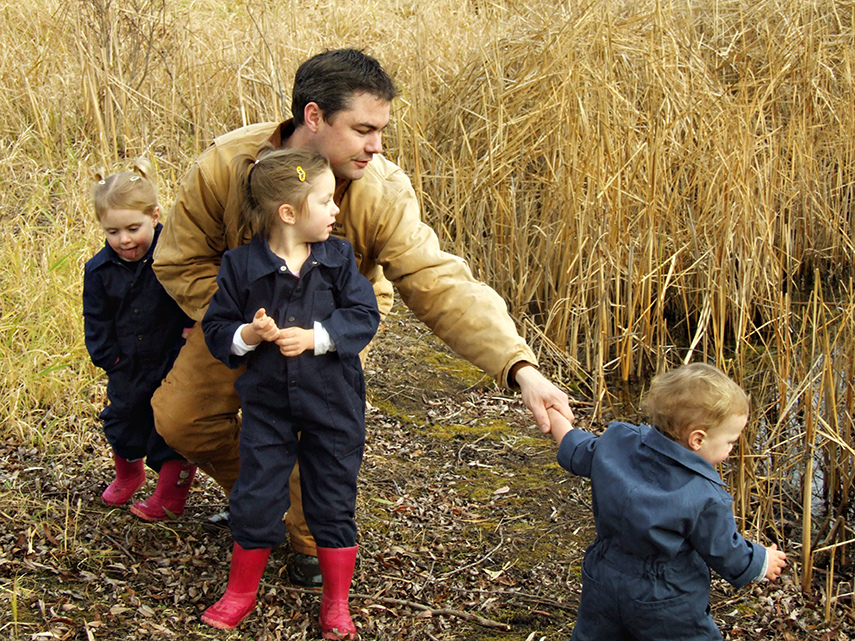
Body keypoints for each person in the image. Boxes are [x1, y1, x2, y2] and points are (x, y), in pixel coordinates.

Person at [152, 48, 574, 585]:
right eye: (363, 129)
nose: (378, 146)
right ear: (313, 117)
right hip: (242, 319)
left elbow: (439, 280)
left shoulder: (381, 190)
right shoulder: (226, 165)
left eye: (382, 130)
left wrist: (521, 368)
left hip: (333, 327)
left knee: (317, 431)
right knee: (181, 417)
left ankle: (309, 538)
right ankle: (266, 496)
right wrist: (248, 323)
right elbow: (179, 259)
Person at [198, 149, 379, 636]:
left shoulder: (338, 259)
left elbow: (364, 315)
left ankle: (336, 603)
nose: (335, 210)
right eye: (325, 201)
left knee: (333, 497)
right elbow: (216, 328)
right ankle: (240, 592)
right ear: (288, 213)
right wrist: (248, 335)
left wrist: (317, 337)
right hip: (268, 407)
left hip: (333, 404)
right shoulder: (240, 267)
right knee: (256, 495)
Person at [548, 363, 787, 640]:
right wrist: (762, 562)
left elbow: (576, 447)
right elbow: (725, 551)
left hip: (602, 576)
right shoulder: (706, 494)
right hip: (665, 596)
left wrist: (554, 413)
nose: (732, 449)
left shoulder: (617, 441)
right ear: (698, 439)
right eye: (730, 442)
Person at [82, 160, 197, 522]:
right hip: (126, 363)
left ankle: (169, 496)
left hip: (171, 359)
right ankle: (128, 473)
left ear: (155, 216)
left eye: (133, 228)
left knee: (169, 425)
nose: (124, 240)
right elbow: (96, 319)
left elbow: (190, 297)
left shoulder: (171, 256)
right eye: (112, 232)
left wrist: (189, 339)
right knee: (123, 418)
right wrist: (109, 358)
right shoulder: (99, 270)